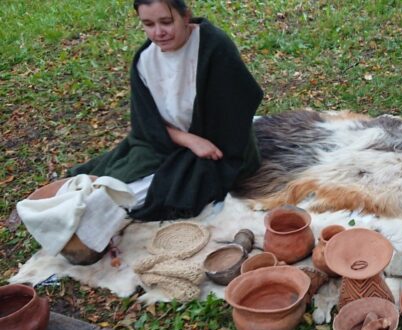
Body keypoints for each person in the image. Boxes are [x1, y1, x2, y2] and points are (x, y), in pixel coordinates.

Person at [69, 0, 264, 221]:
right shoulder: (145, 60)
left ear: (186, 16)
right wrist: (187, 139)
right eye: (148, 24)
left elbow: (234, 114)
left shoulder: (213, 47)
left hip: (219, 147)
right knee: (114, 179)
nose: (159, 32)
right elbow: (146, 124)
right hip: (166, 141)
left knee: (150, 196)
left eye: (166, 22)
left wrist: (198, 144)